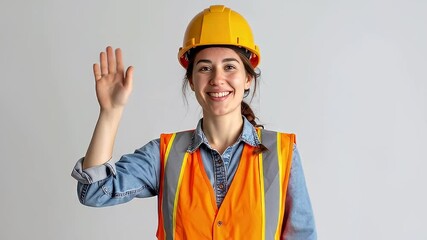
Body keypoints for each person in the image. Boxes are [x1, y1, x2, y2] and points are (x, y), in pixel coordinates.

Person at [72, 5, 316, 240]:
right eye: (204, 68)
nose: (217, 78)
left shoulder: (282, 153)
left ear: (248, 78)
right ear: (191, 81)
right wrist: (110, 112)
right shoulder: (164, 154)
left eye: (230, 67)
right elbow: (95, 192)